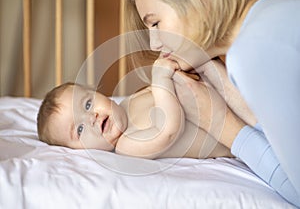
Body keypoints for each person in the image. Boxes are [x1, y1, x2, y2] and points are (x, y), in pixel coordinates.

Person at [124, 0, 300, 207]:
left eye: (155, 23)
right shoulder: (276, 9)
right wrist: (225, 85)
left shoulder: (252, 50)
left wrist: (219, 122)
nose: (154, 44)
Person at [37, 58, 248, 160]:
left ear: (98, 92)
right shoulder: (127, 145)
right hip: (238, 130)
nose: (91, 118)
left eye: (88, 104)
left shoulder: (129, 101)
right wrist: (160, 78)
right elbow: (168, 131)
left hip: (232, 92)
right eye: (79, 130)